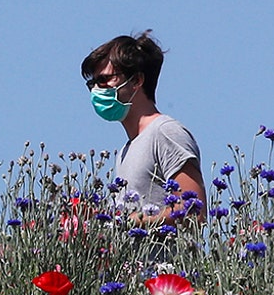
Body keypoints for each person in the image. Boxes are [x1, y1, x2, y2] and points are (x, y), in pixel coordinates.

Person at [81, 32, 205, 227]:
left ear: (137, 81)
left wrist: (130, 223)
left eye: (104, 80)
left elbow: (193, 210)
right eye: (93, 83)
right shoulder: (125, 151)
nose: (97, 89)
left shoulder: (165, 132)